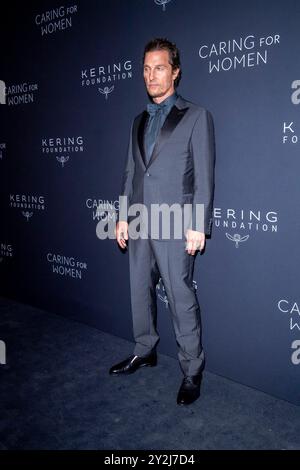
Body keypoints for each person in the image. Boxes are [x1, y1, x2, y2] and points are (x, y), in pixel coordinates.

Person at [110, 38, 215, 405]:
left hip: (176, 222)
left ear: (175, 71)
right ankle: (146, 349)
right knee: (139, 290)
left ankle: (192, 370)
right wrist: (122, 217)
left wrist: (198, 224)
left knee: (180, 296)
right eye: (145, 68)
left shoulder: (196, 116)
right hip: (138, 219)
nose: (150, 75)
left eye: (158, 67)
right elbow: (130, 173)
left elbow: (204, 176)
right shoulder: (138, 120)